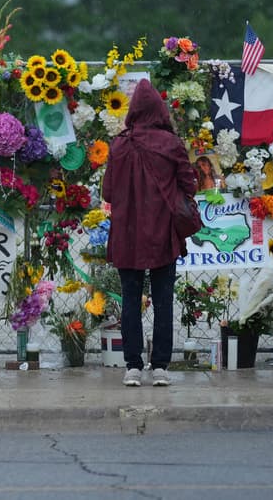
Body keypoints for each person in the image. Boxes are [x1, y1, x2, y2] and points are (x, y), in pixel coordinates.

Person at [101, 78, 196, 388]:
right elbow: (189, 184)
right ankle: (160, 367)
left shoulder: (119, 144)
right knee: (163, 300)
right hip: (162, 233)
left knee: (130, 300)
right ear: (160, 109)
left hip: (127, 234)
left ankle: (132, 367)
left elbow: (108, 192)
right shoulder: (171, 144)